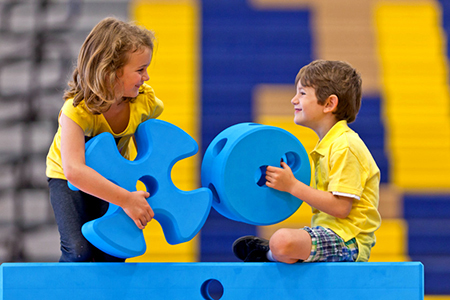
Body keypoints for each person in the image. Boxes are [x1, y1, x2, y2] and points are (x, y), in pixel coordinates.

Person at [233, 60, 381, 263]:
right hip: (329, 234)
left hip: (348, 241)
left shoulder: (345, 146)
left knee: (282, 240)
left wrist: (292, 185)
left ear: (329, 104)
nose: (294, 100)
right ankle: (275, 254)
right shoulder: (330, 144)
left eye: (302, 93)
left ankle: (266, 254)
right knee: (285, 242)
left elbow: (340, 208)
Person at [46, 17, 164, 262]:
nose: (147, 77)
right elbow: (75, 172)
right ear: (110, 72)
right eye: (140, 70)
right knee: (79, 250)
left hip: (113, 177)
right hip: (67, 178)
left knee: (113, 250)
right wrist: (126, 199)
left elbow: (155, 144)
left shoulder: (145, 102)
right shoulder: (76, 111)